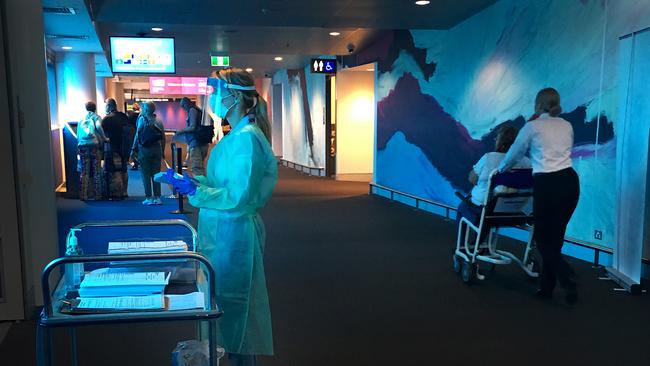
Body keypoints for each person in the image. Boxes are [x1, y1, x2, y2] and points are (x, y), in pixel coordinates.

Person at [167, 68, 277, 366]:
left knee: (235, 315)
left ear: (234, 95)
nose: (213, 98)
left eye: (216, 91)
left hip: (235, 235)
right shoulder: (237, 136)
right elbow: (225, 187)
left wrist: (197, 192)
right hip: (224, 234)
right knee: (223, 307)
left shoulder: (246, 139)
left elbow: (239, 196)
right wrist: (194, 184)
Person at [499, 88, 580, 304]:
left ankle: (567, 276)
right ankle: (547, 288)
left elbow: (514, 154)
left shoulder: (532, 127)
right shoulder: (567, 125)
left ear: (537, 105)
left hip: (548, 183)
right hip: (571, 182)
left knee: (543, 241)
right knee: (556, 239)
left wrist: (500, 171)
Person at [456, 125, 530, 247]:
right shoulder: (526, 162)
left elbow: (472, 178)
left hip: (485, 212)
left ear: (500, 141)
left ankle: (463, 247)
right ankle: (476, 244)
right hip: (514, 212)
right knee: (490, 209)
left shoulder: (489, 158)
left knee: (463, 207)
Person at [131, 102, 165, 205]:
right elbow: (163, 138)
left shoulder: (142, 120)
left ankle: (149, 197)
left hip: (145, 150)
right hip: (157, 150)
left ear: (145, 110)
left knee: (145, 174)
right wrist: (162, 151)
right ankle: (158, 197)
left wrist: (133, 149)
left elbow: (138, 135)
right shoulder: (159, 121)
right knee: (156, 174)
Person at [77, 101, 107, 200]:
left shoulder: (81, 118)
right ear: (95, 108)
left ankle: (83, 195)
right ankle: (97, 195)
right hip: (94, 146)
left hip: (83, 146)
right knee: (96, 171)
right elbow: (98, 126)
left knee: (84, 171)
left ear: (86, 108)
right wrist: (104, 138)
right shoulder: (96, 117)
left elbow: (78, 134)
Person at [102, 98, 131, 199]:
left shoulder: (107, 119)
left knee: (116, 171)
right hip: (124, 148)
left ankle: (118, 193)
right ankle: (125, 192)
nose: (105, 108)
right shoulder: (123, 116)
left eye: (105, 106)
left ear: (109, 106)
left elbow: (102, 134)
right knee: (124, 170)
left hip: (113, 148)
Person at [175, 97, 212, 176]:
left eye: (183, 107)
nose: (184, 109)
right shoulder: (198, 110)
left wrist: (181, 131)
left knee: (196, 167)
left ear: (186, 104)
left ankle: (200, 187)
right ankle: (202, 185)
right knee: (200, 166)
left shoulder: (192, 110)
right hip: (203, 142)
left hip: (196, 143)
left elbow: (192, 127)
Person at [126, 103, 141, 170]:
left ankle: (136, 163)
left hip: (132, 133)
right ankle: (140, 162)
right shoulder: (141, 115)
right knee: (139, 148)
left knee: (133, 148)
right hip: (140, 133)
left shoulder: (131, 115)